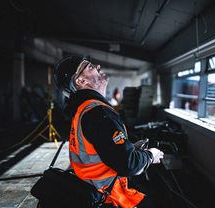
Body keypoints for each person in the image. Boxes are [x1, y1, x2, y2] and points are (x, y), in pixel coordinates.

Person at [54, 56, 164, 208]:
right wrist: (151, 155)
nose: (98, 66)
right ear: (80, 81)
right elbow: (129, 165)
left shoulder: (84, 110)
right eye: (90, 66)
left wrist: (128, 147)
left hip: (90, 189)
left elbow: (100, 148)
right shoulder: (98, 113)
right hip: (107, 197)